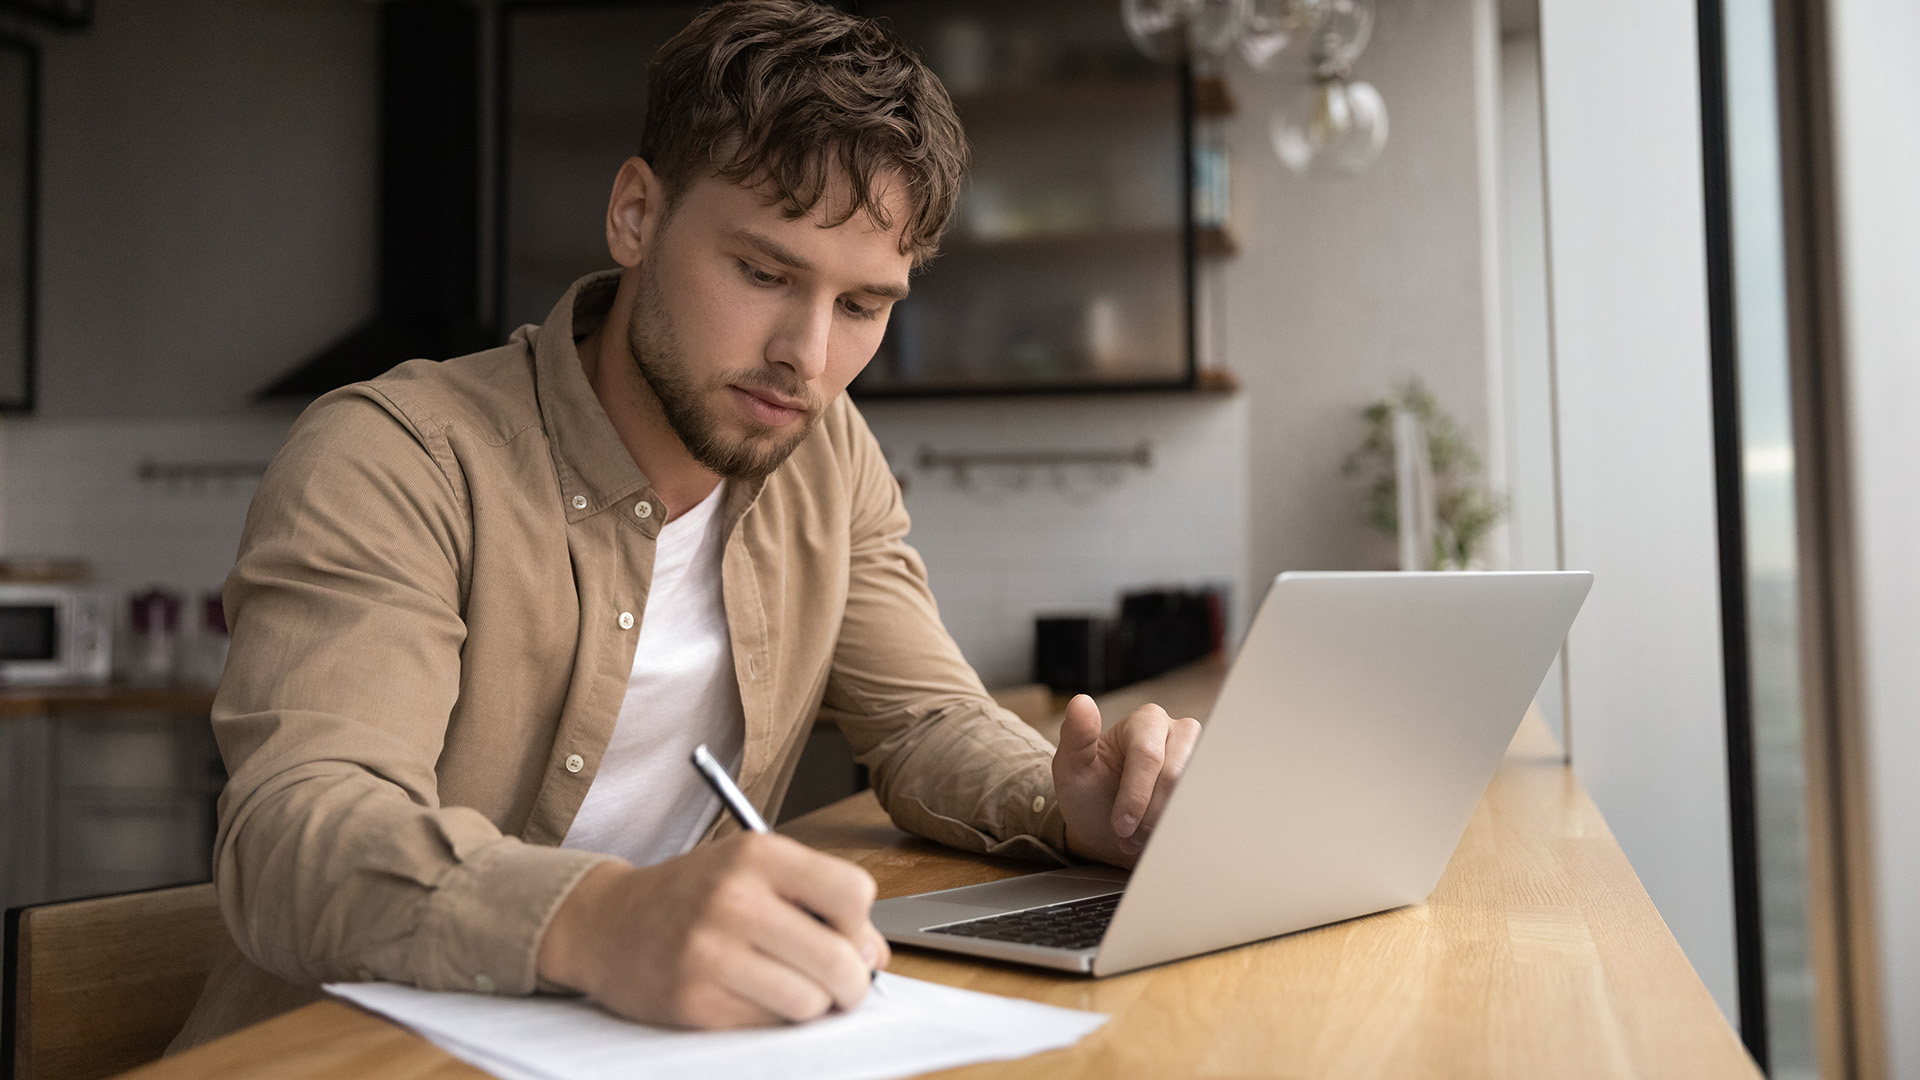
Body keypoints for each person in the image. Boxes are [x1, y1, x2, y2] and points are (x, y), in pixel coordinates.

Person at [172, 0, 1200, 1047]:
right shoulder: (395, 457)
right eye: (763, 273)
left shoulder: (826, 451)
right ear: (634, 215)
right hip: (347, 1054)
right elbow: (295, 836)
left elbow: (927, 722)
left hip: (639, 1043)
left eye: (862, 306)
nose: (807, 357)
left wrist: (1067, 802)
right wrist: (597, 915)